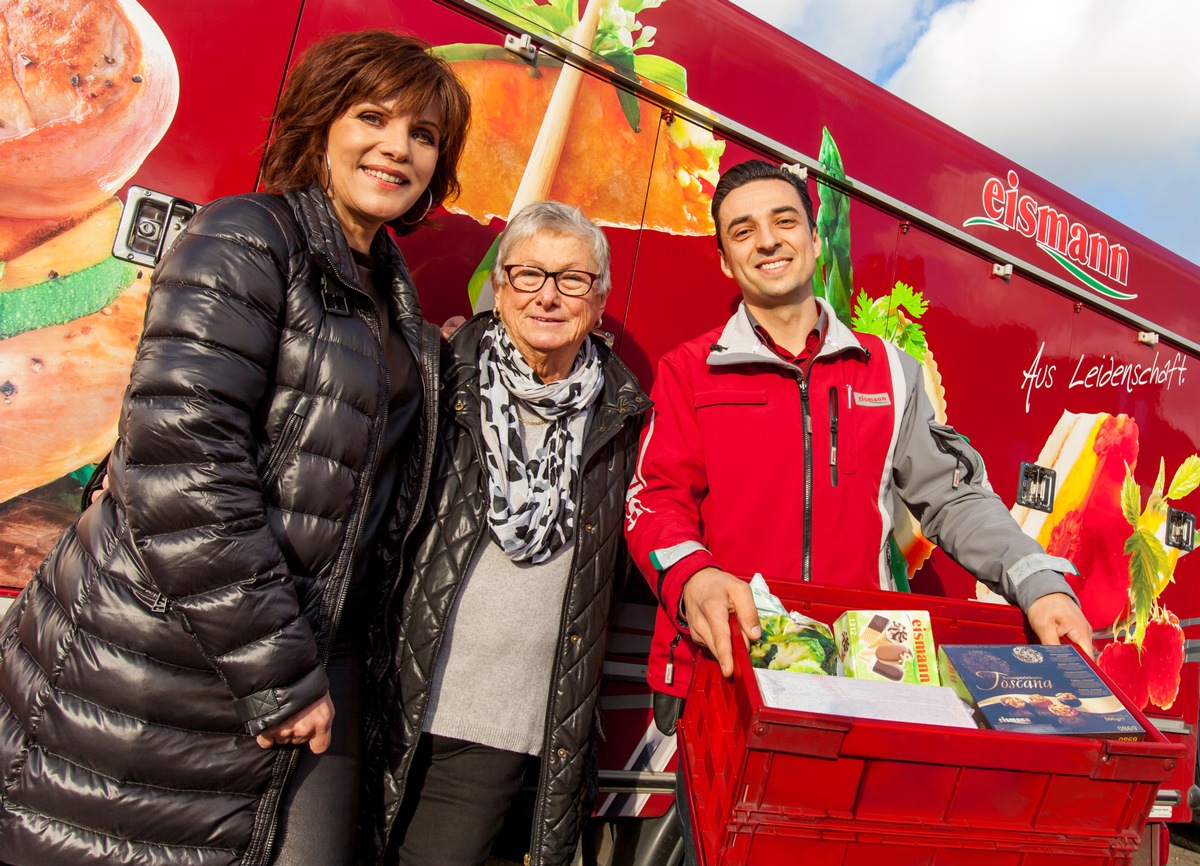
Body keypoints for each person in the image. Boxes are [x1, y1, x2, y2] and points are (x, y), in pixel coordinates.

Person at [0, 30, 470, 866]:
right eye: (374, 117)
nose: (398, 147)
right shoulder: (247, 238)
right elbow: (183, 471)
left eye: (424, 135)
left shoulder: (394, 300)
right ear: (323, 124)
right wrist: (280, 674)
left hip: (302, 661)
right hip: (161, 672)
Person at [624, 158, 1094, 724]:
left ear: (816, 240)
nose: (768, 241)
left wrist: (1038, 582)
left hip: (858, 675)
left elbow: (953, 498)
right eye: (743, 231)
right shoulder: (690, 370)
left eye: (784, 221)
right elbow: (654, 500)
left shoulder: (891, 372)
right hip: (724, 667)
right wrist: (693, 576)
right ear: (726, 261)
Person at [361, 201, 649, 866]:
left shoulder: (626, 420)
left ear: (598, 299)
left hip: (499, 726)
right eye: (527, 275)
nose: (547, 296)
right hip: (386, 689)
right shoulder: (435, 375)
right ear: (500, 287)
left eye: (572, 279)